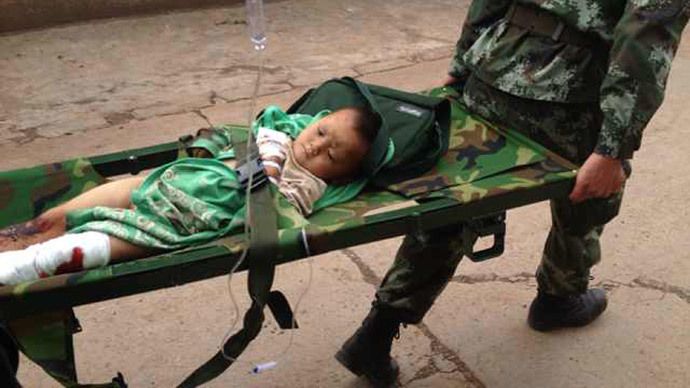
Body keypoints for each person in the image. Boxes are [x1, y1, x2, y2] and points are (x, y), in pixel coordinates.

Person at [336, 1, 689, 386]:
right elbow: (646, 31)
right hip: (571, 92)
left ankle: (377, 332)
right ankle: (559, 297)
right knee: (591, 195)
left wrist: (462, 64)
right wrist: (613, 148)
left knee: (454, 203)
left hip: (493, 68)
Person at [0, 105, 382, 285]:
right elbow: (264, 139)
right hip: (175, 182)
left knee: (90, 245)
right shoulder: (278, 133)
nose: (316, 147)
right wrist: (265, 156)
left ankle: (24, 265)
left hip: (185, 220)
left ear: (341, 174)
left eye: (332, 155)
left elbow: (282, 210)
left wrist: (269, 181)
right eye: (320, 133)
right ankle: (20, 235)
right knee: (64, 216)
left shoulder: (309, 185)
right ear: (314, 122)